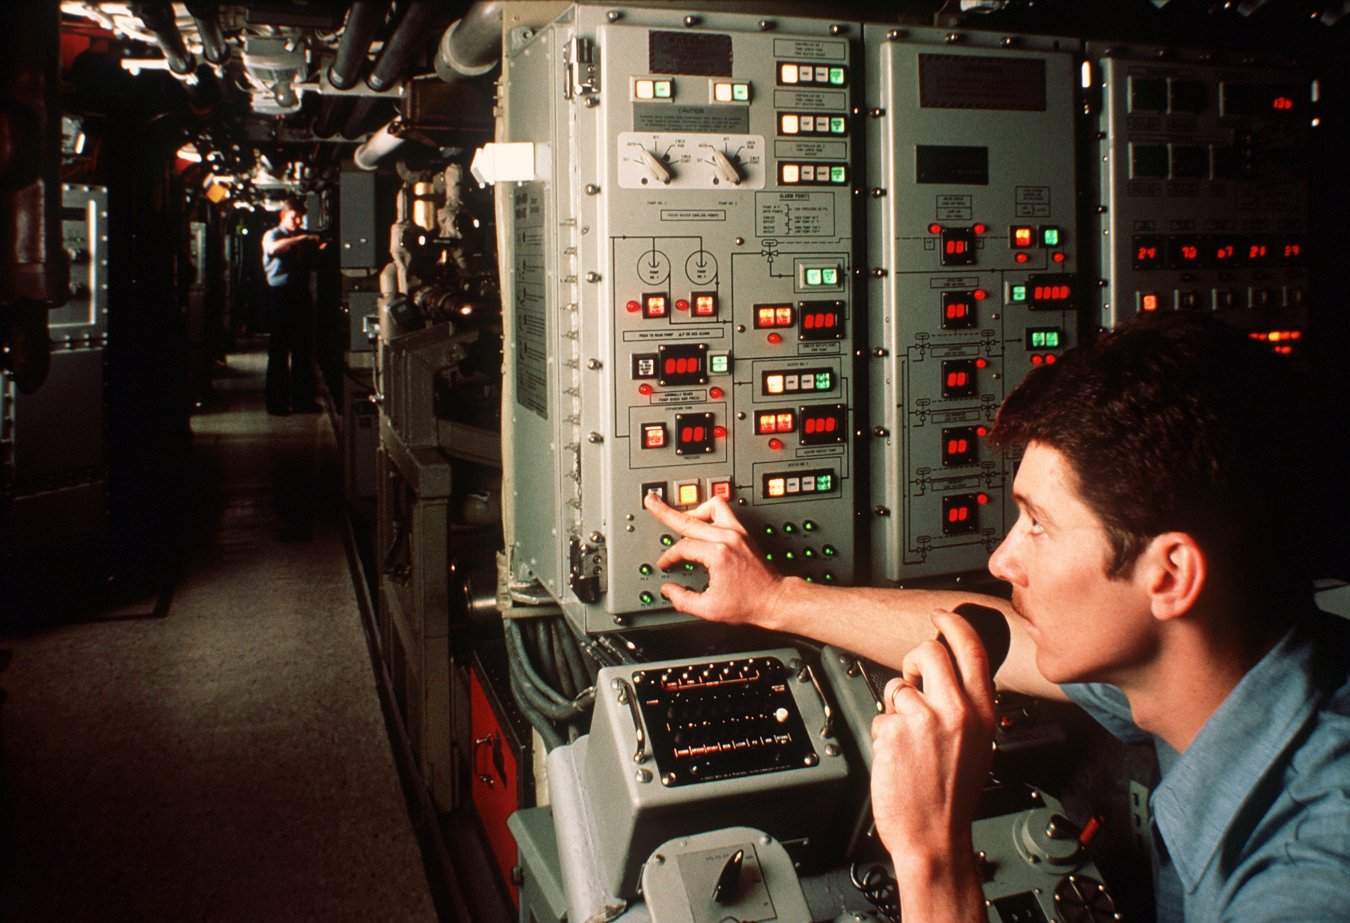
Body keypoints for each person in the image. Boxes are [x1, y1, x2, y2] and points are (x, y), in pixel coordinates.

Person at [644, 313, 1347, 923]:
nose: (1003, 559)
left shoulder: (1309, 877)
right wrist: (774, 599)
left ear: (1170, 575)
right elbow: (1006, 638)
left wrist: (931, 855)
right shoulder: (1226, 667)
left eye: (1038, 524)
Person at [261, 196, 326, 414]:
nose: (297, 222)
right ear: (283, 216)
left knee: (302, 350)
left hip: (300, 295)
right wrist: (300, 239)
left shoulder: (302, 237)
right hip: (280, 295)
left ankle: (302, 400)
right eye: (293, 217)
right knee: (279, 351)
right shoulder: (273, 235)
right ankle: (276, 403)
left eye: (300, 218)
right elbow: (273, 249)